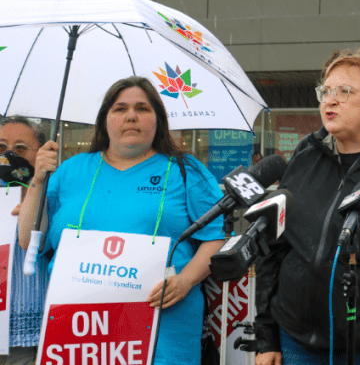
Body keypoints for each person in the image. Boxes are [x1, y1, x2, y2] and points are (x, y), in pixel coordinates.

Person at [17, 77, 226, 365]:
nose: (131, 116)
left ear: (158, 120)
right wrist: (38, 181)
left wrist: (186, 281)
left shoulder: (186, 170)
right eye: (120, 109)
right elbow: (29, 240)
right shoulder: (69, 171)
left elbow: (215, 236)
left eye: (142, 108)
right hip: (81, 332)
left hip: (162, 329)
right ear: (104, 120)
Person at [255, 48, 360, 365]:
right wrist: (267, 336)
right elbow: (273, 249)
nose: (329, 100)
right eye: (326, 91)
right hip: (294, 343)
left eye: (344, 92)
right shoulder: (303, 159)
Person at [2, 117, 49, 365]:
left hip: (31, 333)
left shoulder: (53, 193)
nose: (9, 154)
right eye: (1, 147)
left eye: (20, 148)